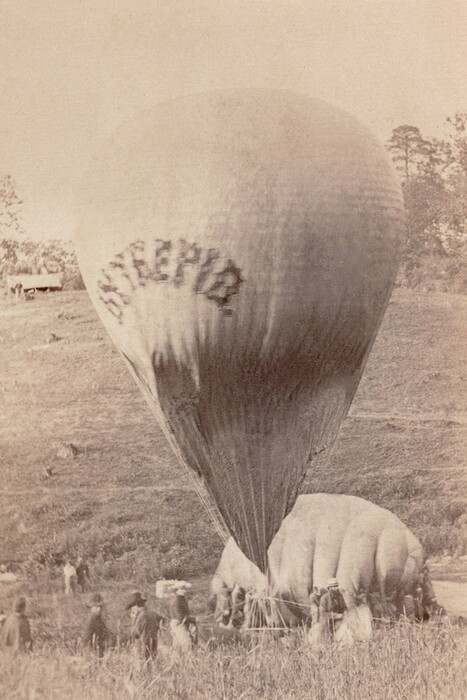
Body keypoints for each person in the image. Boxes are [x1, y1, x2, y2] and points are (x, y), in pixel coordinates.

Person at [126, 591, 162, 661]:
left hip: (142, 646)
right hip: (153, 643)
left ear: (135, 606)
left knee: (143, 667)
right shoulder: (153, 613)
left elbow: (134, 633)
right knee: (152, 664)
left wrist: (133, 618)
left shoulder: (141, 616)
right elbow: (162, 619)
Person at [83, 594, 108, 658]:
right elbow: (87, 638)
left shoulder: (100, 619)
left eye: (100, 607)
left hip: (100, 649)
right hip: (93, 651)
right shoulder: (91, 621)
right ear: (91, 608)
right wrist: (90, 652)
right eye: (96, 607)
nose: (99, 609)